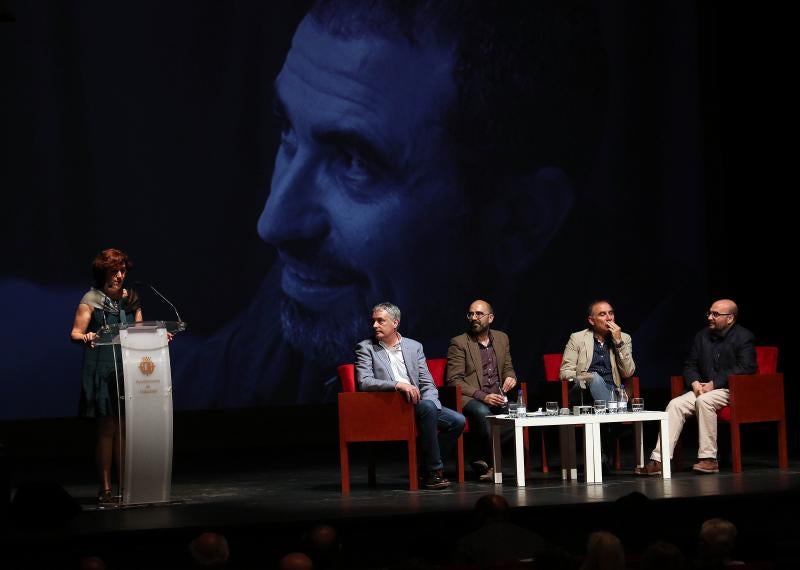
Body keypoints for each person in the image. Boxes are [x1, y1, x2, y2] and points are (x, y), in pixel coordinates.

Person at [174, 0, 607, 408]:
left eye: (355, 161)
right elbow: (201, 381)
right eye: (288, 131)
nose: (275, 222)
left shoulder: (629, 358)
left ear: (521, 220)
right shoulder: (324, 296)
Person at [636, 299, 756, 476]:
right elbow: (690, 365)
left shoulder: (744, 336)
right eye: (709, 313)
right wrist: (694, 383)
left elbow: (746, 367)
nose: (710, 317)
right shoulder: (702, 336)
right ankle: (659, 460)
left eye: (715, 314)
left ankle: (709, 459)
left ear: (730, 318)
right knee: (675, 404)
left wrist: (714, 384)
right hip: (704, 389)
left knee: (705, 401)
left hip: (731, 389)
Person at [355, 302, 465, 490]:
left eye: (380, 321)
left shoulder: (414, 347)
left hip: (420, 405)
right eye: (373, 321)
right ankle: (433, 472)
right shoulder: (366, 348)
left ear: (395, 323)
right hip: (390, 407)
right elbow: (364, 381)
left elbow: (426, 383)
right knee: (428, 409)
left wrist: (432, 403)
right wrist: (397, 384)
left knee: (458, 420)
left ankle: (426, 466)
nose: (375, 325)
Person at [69, 248, 142, 504]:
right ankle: (106, 488)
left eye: (123, 271)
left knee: (124, 428)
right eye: (115, 271)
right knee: (107, 428)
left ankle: (126, 485)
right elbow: (75, 333)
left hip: (126, 367)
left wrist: (158, 338)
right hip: (102, 367)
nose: (120, 275)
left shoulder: (131, 299)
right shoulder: (91, 299)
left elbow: (140, 332)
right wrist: (87, 336)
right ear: (103, 272)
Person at [446, 299, 517, 482]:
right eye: (471, 314)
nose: (474, 318)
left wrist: (511, 377)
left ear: (491, 318)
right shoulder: (459, 343)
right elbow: (453, 380)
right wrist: (483, 396)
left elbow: (508, 367)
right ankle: (494, 465)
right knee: (482, 412)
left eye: (479, 314)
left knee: (517, 414)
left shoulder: (502, 338)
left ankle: (479, 456)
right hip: (471, 397)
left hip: (498, 396)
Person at [560, 300, 636, 404]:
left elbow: (628, 372)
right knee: (594, 378)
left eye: (611, 313)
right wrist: (588, 377)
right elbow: (565, 372)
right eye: (602, 314)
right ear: (592, 320)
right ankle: (613, 407)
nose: (609, 318)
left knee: (609, 391)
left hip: (612, 391)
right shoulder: (577, 338)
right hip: (583, 392)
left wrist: (619, 343)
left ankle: (610, 405)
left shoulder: (624, 338)